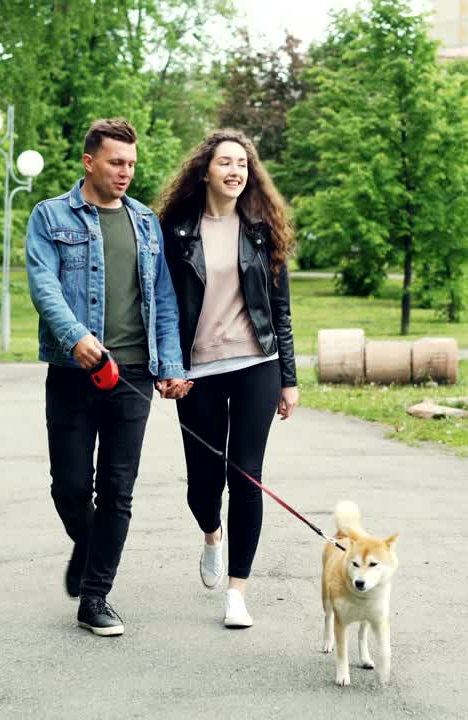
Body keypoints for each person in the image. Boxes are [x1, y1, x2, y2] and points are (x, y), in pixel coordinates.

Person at [26, 118, 191, 637]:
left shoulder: (144, 222)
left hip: (133, 375)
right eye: (116, 162)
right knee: (69, 486)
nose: (126, 172)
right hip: (72, 370)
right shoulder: (50, 215)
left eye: (132, 164)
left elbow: (163, 300)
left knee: (118, 489)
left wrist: (171, 366)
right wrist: (75, 336)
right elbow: (43, 283)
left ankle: (95, 596)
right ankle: (90, 544)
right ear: (89, 162)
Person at [155, 129, 299, 628]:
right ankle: (211, 534)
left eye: (242, 163)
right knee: (202, 483)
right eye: (225, 163)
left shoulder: (262, 228)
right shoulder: (175, 231)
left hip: (257, 363)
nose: (235, 171)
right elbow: (161, 306)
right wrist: (167, 367)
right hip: (197, 371)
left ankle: (238, 592)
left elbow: (280, 309)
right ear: (205, 171)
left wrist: (288, 378)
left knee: (247, 475)